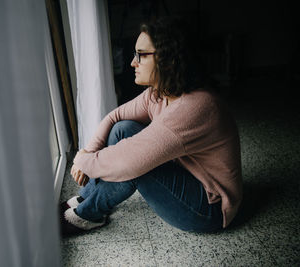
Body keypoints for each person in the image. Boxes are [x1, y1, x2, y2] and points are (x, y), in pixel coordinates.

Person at [60, 16, 243, 237]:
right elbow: (113, 117)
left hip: (210, 207)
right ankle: (88, 195)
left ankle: (89, 213)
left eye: (141, 55)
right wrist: (88, 153)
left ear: (167, 60)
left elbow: (129, 161)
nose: (132, 62)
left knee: (134, 164)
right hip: (187, 175)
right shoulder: (159, 93)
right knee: (122, 128)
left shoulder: (195, 107)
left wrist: (82, 160)